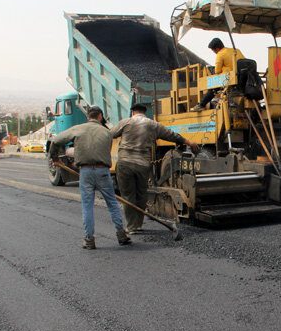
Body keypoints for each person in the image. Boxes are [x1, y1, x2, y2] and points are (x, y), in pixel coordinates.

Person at [111, 103, 199, 234]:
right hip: (142, 164)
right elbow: (172, 135)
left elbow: (109, 135)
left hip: (125, 164)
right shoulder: (153, 125)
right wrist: (189, 142)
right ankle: (138, 225)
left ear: (133, 112)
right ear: (144, 112)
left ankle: (131, 227)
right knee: (141, 194)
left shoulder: (125, 122)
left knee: (128, 195)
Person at [49, 106, 129, 249]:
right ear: (100, 116)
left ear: (88, 117)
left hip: (85, 171)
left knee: (87, 206)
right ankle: (121, 235)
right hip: (103, 171)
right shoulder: (107, 132)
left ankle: (89, 240)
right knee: (112, 204)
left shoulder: (78, 129)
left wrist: (55, 158)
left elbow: (56, 141)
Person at [190, 38, 245, 112]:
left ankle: (201, 105)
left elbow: (217, 71)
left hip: (230, 79)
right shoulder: (236, 50)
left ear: (217, 48)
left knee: (213, 87)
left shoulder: (220, 54)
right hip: (242, 78)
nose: (214, 52)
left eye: (213, 50)